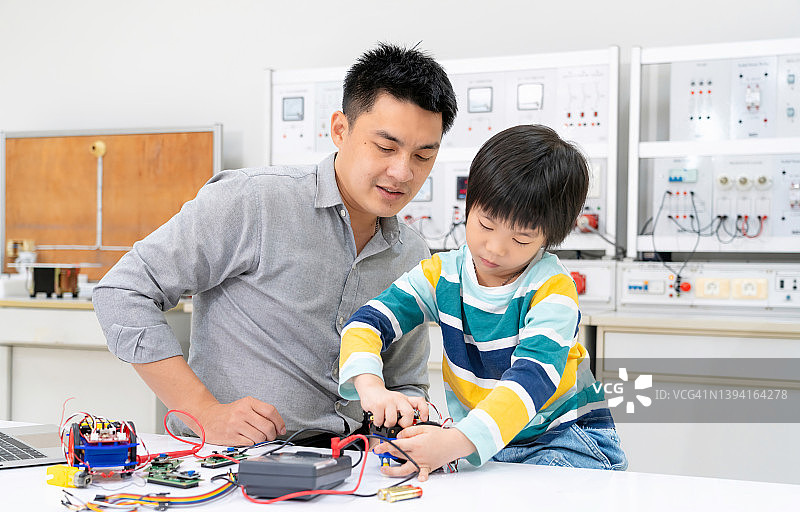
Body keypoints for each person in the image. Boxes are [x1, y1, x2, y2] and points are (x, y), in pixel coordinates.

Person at [92, 43, 457, 446]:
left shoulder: (412, 254)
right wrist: (204, 412)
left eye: (423, 156)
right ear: (340, 129)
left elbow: (404, 381)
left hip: (352, 468)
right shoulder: (253, 201)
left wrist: (409, 419)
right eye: (386, 147)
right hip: (230, 464)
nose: (402, 172)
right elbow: (121, 291)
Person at [338, 124, 627, 480]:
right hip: (487, 441)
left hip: (567, 439)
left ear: (550, 237)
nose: (495, 248)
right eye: (486, 225)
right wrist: (371, 388)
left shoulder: (552, 290)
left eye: (521, 238)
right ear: (468, 204)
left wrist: (453, 442)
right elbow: (366, 323)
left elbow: (530, 381)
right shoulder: (440, 275)